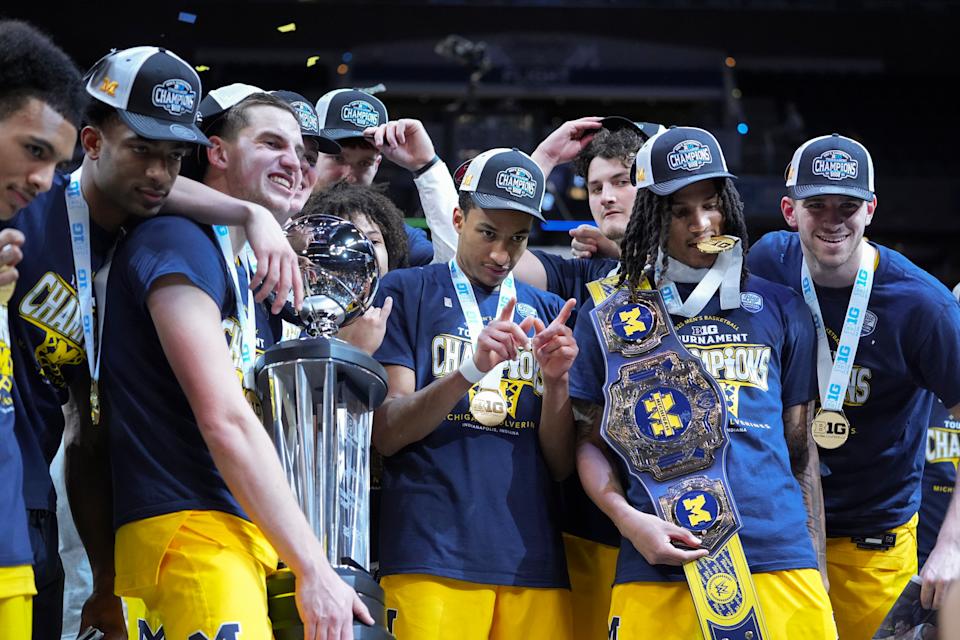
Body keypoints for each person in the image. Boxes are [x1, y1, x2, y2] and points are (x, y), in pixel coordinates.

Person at [5, 46, 301, 640]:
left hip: (30, 493)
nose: (159, 173)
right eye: (142, 150)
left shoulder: (143, 232)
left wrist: (252, 215)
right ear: (90, 143)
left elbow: (88, 435)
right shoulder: (29, 204)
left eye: (172, 155)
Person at [99, 87, 372, 639]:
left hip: (229, 529)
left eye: (302, 152)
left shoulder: (249, 272)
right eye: (271, 143)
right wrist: (313, 568)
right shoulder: (177, 239)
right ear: (217, 152)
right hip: (189, 528)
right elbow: (223, 418)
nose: (294, 162)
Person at [570, 126, 836, 639]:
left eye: (712, 205)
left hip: (780, 559)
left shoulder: (780, 307)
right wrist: (629, 522)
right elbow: (589, 443)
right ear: (650, 215)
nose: (701, 224)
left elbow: (800, 452)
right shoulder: (609, 313)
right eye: (679, 211)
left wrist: (816, 564)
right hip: (660, 556)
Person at [748, 134, 960, 637]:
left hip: (873, 547)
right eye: (816, 205)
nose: (832, 220)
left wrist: (951, 544)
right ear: (788, 210)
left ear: (871, 210)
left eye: (848, 205)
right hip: (780, 536)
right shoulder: (766, 263)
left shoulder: (923, 306)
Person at [371, 148, 578, 639]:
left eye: (518, 239)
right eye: (488, 233)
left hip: (534, 562)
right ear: (458, 218)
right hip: (430, 554)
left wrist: (557, 383)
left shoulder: (548, 311)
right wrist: (468, 369)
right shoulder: (405, 291)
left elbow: (560, 464)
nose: (502, 255)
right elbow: (387, 432)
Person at [514, 115, 654, 639]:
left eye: (622, 181)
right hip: (591, 520)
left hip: (686, 510)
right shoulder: (583, 274)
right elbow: (502, 252)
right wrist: (542, 161)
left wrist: (625, 252)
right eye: (595, 187)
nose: (606, 197)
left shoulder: (708, 280)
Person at [0, 19, 85, 639]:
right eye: (34, 150)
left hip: (17, 525)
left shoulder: (18, 240)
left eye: (56, 164)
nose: (41, 180)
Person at [313, 88, 458, 265]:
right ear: (311, 156)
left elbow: (454, 273)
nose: (349, 176)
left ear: (377, 165)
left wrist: (426, 166)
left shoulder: (393, 234)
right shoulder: (280, 221)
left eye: (364, 163)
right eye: (338, 158)